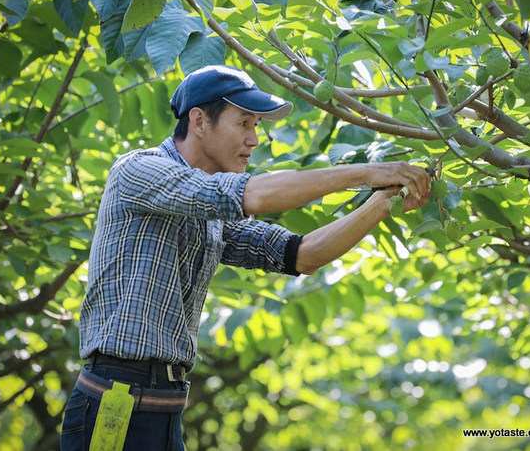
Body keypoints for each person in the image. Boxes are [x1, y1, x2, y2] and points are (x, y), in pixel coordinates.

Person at [60, 65, 430, 450]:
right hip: (115, 402)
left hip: (165, 409)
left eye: (256, 126)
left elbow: (304, 255)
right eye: (244, 124)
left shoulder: (211, 219)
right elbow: (248, 196)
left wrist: (384, 201)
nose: (254, 140)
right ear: (200, 121)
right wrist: (367, 171)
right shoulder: (138, 170)